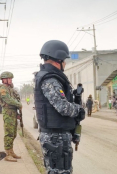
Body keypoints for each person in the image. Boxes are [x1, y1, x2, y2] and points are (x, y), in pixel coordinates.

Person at [34, 40, 85, 174]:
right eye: (64, 60)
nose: (65, 63)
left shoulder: (50, 77)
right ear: (58, 59)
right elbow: (62, 107)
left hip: (56, 136)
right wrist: (78, 110)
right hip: (55, 137)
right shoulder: (50, 79)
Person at [0, 71, 21, 162]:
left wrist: (17, 113)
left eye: (11, 79)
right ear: (4, 80)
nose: (11, 80)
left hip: (13, 112)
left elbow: (13, 99)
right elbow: (7, 99)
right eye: (9, 78)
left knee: (13, 133)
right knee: (9, 133)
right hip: (8, 113)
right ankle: (7, 154)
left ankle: (11, 151)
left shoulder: (9, 88)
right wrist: (18, 104)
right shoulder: (3, 88)